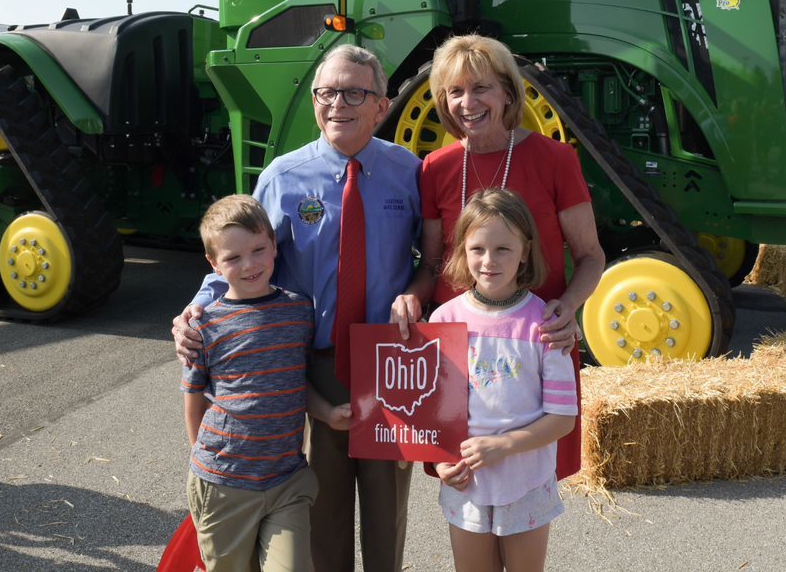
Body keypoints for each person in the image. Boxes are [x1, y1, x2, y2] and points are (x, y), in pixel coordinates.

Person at [174, 44, 427, 572]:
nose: (338, 103)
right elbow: (237, 254)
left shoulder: (410, 172)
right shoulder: (284, 177)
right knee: (322, 511)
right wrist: (196, 308)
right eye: (327, 92)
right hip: (315, 364)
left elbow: (436, 257)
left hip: (389, 364)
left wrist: (419, 295)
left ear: (381, 105)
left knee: (388, 512)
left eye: (355, 92)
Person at [392, 33, 604, 480]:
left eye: (481, 87)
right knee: (466, 492)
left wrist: (569, 308)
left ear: (508, 92)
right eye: (454, 91)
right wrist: (410, 295)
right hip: (459, 355)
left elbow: (589, 256)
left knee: (527, 486)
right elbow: (432, 265)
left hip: (534, 347)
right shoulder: (435, 168)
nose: (467, 102)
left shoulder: (555, 159)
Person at [183, 194, 350, 571]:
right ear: (213, 264)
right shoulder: (205, 326)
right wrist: (198, 455)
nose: (250, 264)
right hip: (225, 484)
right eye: (233, 258)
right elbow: (193, 394)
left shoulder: (299, 311)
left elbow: (293, 381)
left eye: (258, 249)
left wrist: (327, 413)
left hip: (286, 481)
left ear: (275, 245)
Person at [431, 189, 577, 572]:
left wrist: (503, 446)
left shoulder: (547, 324)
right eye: (477, 248)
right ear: (463, 250)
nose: (489, 260)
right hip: (465, 483)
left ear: (525, 251)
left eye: (503, 249)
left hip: (527, 482)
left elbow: (563, 418)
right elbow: (433, 414)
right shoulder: (443, 321)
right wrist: (439, 461)